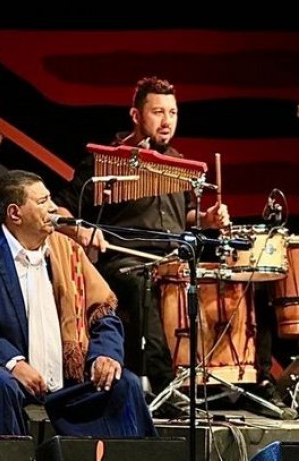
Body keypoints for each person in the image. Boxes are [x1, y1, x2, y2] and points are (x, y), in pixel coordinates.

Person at [53, 76, 230, 399]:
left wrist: (207, 219)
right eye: (158, 112)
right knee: (141, 285)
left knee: (232, 280)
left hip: (173, 261)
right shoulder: (106, 160)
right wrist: (81, 229)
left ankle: (236, 381)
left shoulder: (179, 164)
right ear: (136, 115)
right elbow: (62, 209)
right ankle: (164, 385)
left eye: (173, 113)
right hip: (124, 261)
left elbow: (187, 215)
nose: (167, 121)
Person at [0, 170, 156, 437]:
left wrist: (105, 354)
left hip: (69, 382)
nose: (52, 208)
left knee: (123, 383)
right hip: (8, 378)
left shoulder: (69, 252)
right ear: (15, 214)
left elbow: (103, 313)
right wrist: (14, 363)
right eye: (42, 202)